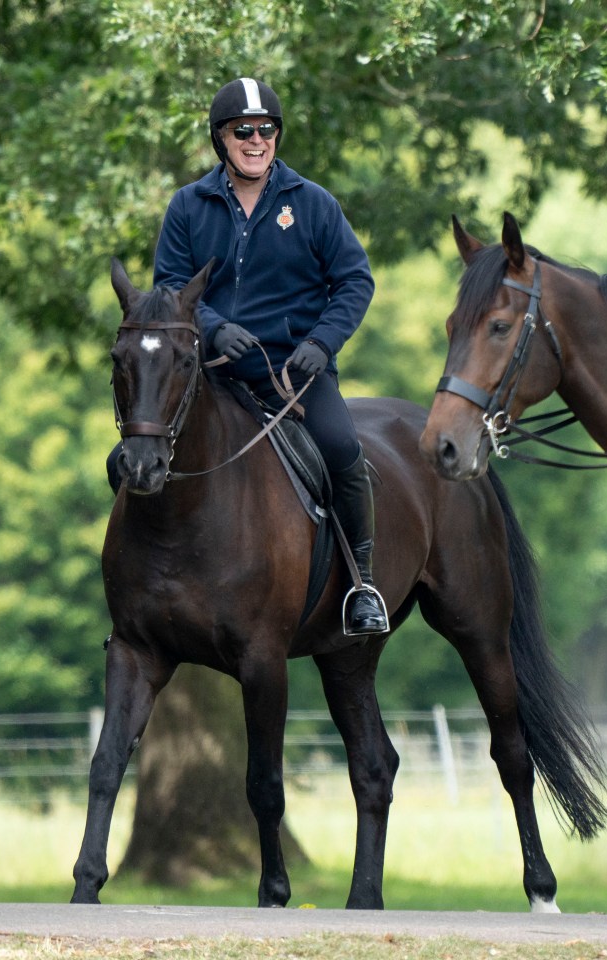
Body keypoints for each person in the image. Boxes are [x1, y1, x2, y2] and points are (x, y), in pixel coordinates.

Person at [132, 76, 388, 636]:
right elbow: (169, 287)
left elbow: (355, 281)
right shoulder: (188, 205)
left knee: (344, 449)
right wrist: (215, 329)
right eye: (242, 130)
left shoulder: (313, 203)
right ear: (220, 138)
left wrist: (321, 343)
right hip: (213, 376)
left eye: (266, 129)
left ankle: (362, 585)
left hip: (295, 376)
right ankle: (138, 597)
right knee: (137, 446)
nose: (256, 140)